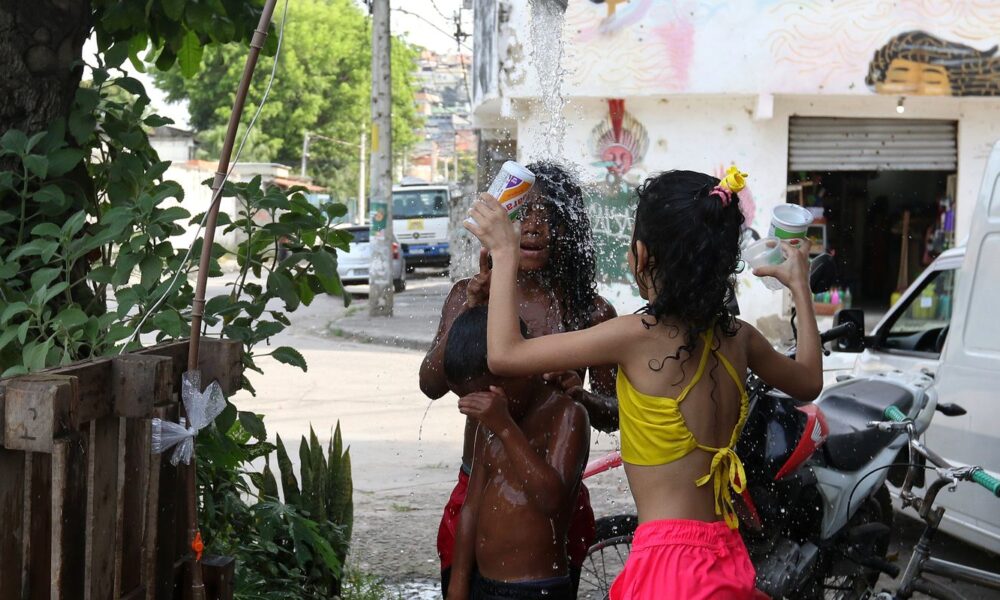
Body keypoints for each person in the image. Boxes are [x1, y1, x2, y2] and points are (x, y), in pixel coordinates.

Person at [465, 168, 823, 599]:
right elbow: (808, 382)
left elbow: (505, 355)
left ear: (640, 254)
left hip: (667, 567)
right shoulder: (738, 337)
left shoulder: (637, 336)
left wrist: (505, 253)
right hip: (724, 554)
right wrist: (801, 287)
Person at [421, 162, 618, 595]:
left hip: (552, 494)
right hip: (477, 486)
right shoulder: (469, 294)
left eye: (548, 216)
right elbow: (431, 384)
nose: (534, 227)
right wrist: (467, 311)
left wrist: (579, 395)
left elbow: (615, 413)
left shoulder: (589, 312)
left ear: (570, 229)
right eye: (523, 213)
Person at [444, 306, 589, 600]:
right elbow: (471, 508)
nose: (481, 411)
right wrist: (458, 584)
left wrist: (506, 428)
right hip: (485, 584)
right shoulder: (490, 425)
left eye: (484, 398)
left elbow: (552, 501)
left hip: (537, 587)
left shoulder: (566, 415)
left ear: (517, 369)